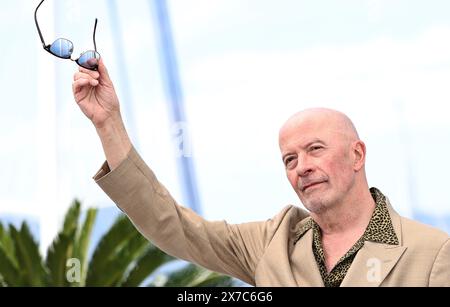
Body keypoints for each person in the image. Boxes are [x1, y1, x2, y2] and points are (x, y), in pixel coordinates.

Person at [72, 59, 450, 287]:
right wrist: (108, 123)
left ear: (357, 155)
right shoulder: (272, 243)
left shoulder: (432, 253)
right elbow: (173, 225)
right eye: (289, 159)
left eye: (315, 149)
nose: (302, 166)